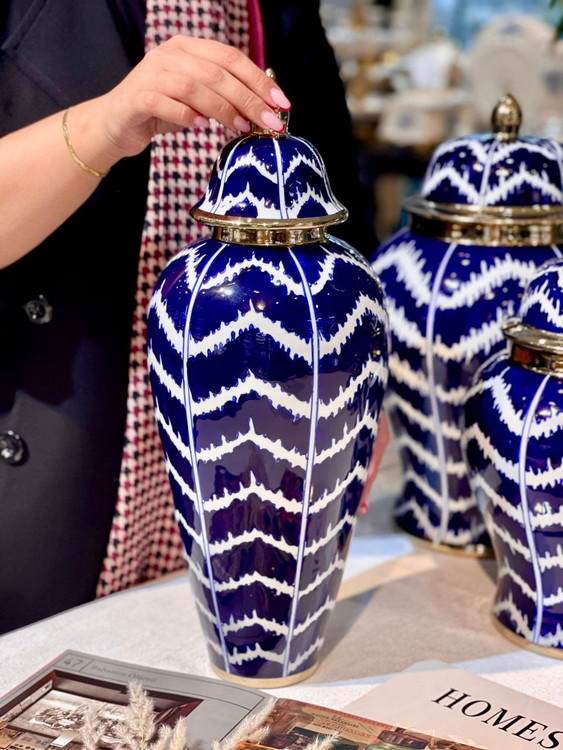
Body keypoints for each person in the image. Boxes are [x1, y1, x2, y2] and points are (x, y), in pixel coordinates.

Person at [0, 0, 386, 635]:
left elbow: (342, 206)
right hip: (53, 482)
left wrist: (363, 379)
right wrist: (106, 123)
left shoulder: (284, 12)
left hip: (256, 485)